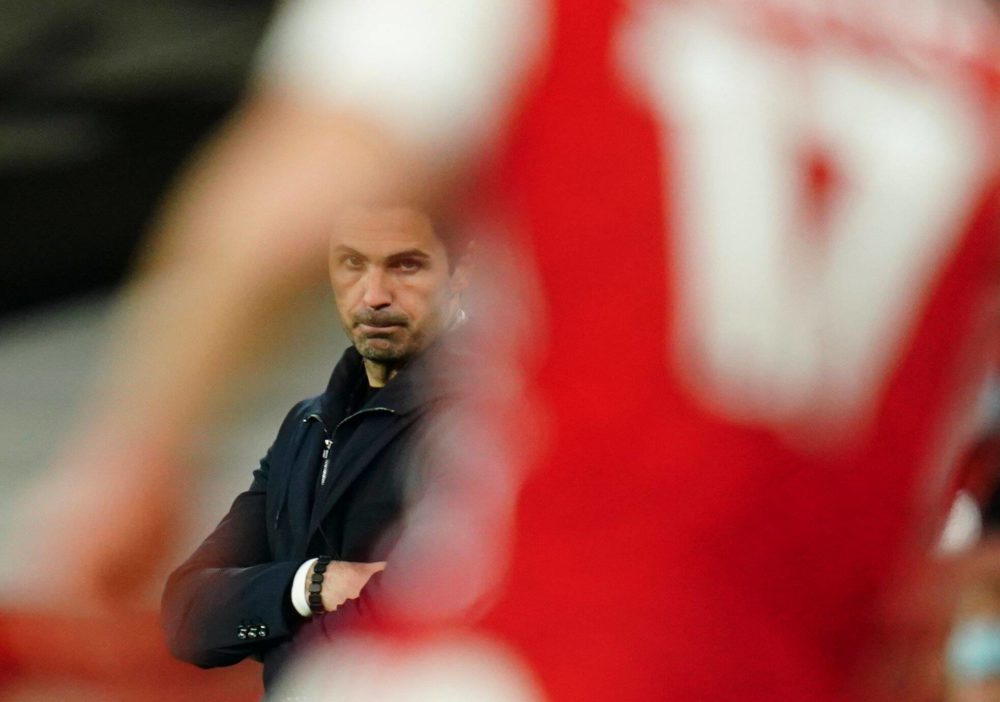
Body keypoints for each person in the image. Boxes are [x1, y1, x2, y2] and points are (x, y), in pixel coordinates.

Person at [160, 205, 472, 691]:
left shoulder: (485, 420)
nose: (374, 296)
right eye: (352, 264)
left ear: (460, 274)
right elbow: (188, 619)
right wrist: (311, 584)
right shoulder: (306, 424)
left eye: (405, 266)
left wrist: (272, 610)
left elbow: (441, 614)